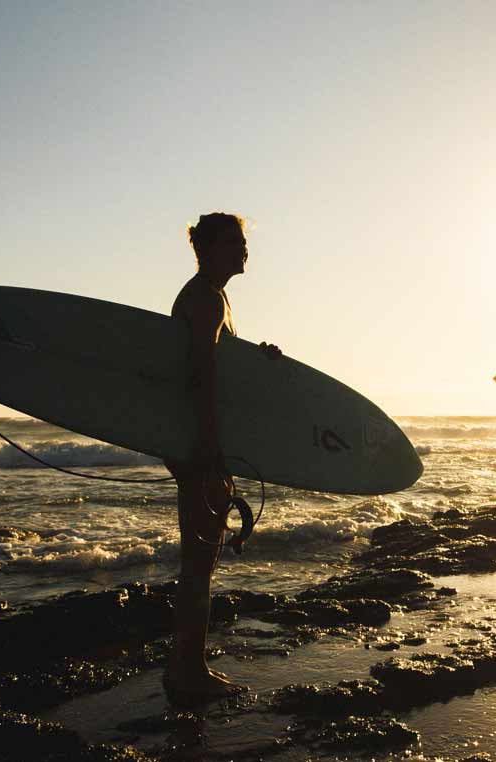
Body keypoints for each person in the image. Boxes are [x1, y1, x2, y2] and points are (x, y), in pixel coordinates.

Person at [162, 212, 277, 701]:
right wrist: (208, 448)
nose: (244, 251)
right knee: (198, 564)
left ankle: (188, 666)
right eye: (234, 243)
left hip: (202, 443)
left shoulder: (214, 296)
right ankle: (187, 673)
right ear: (207, 249)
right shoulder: (206, 298)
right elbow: (202, 374)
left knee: (202, 562)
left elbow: (220, 367)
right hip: (201, 446)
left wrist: (255, 360)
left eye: (244, 243)